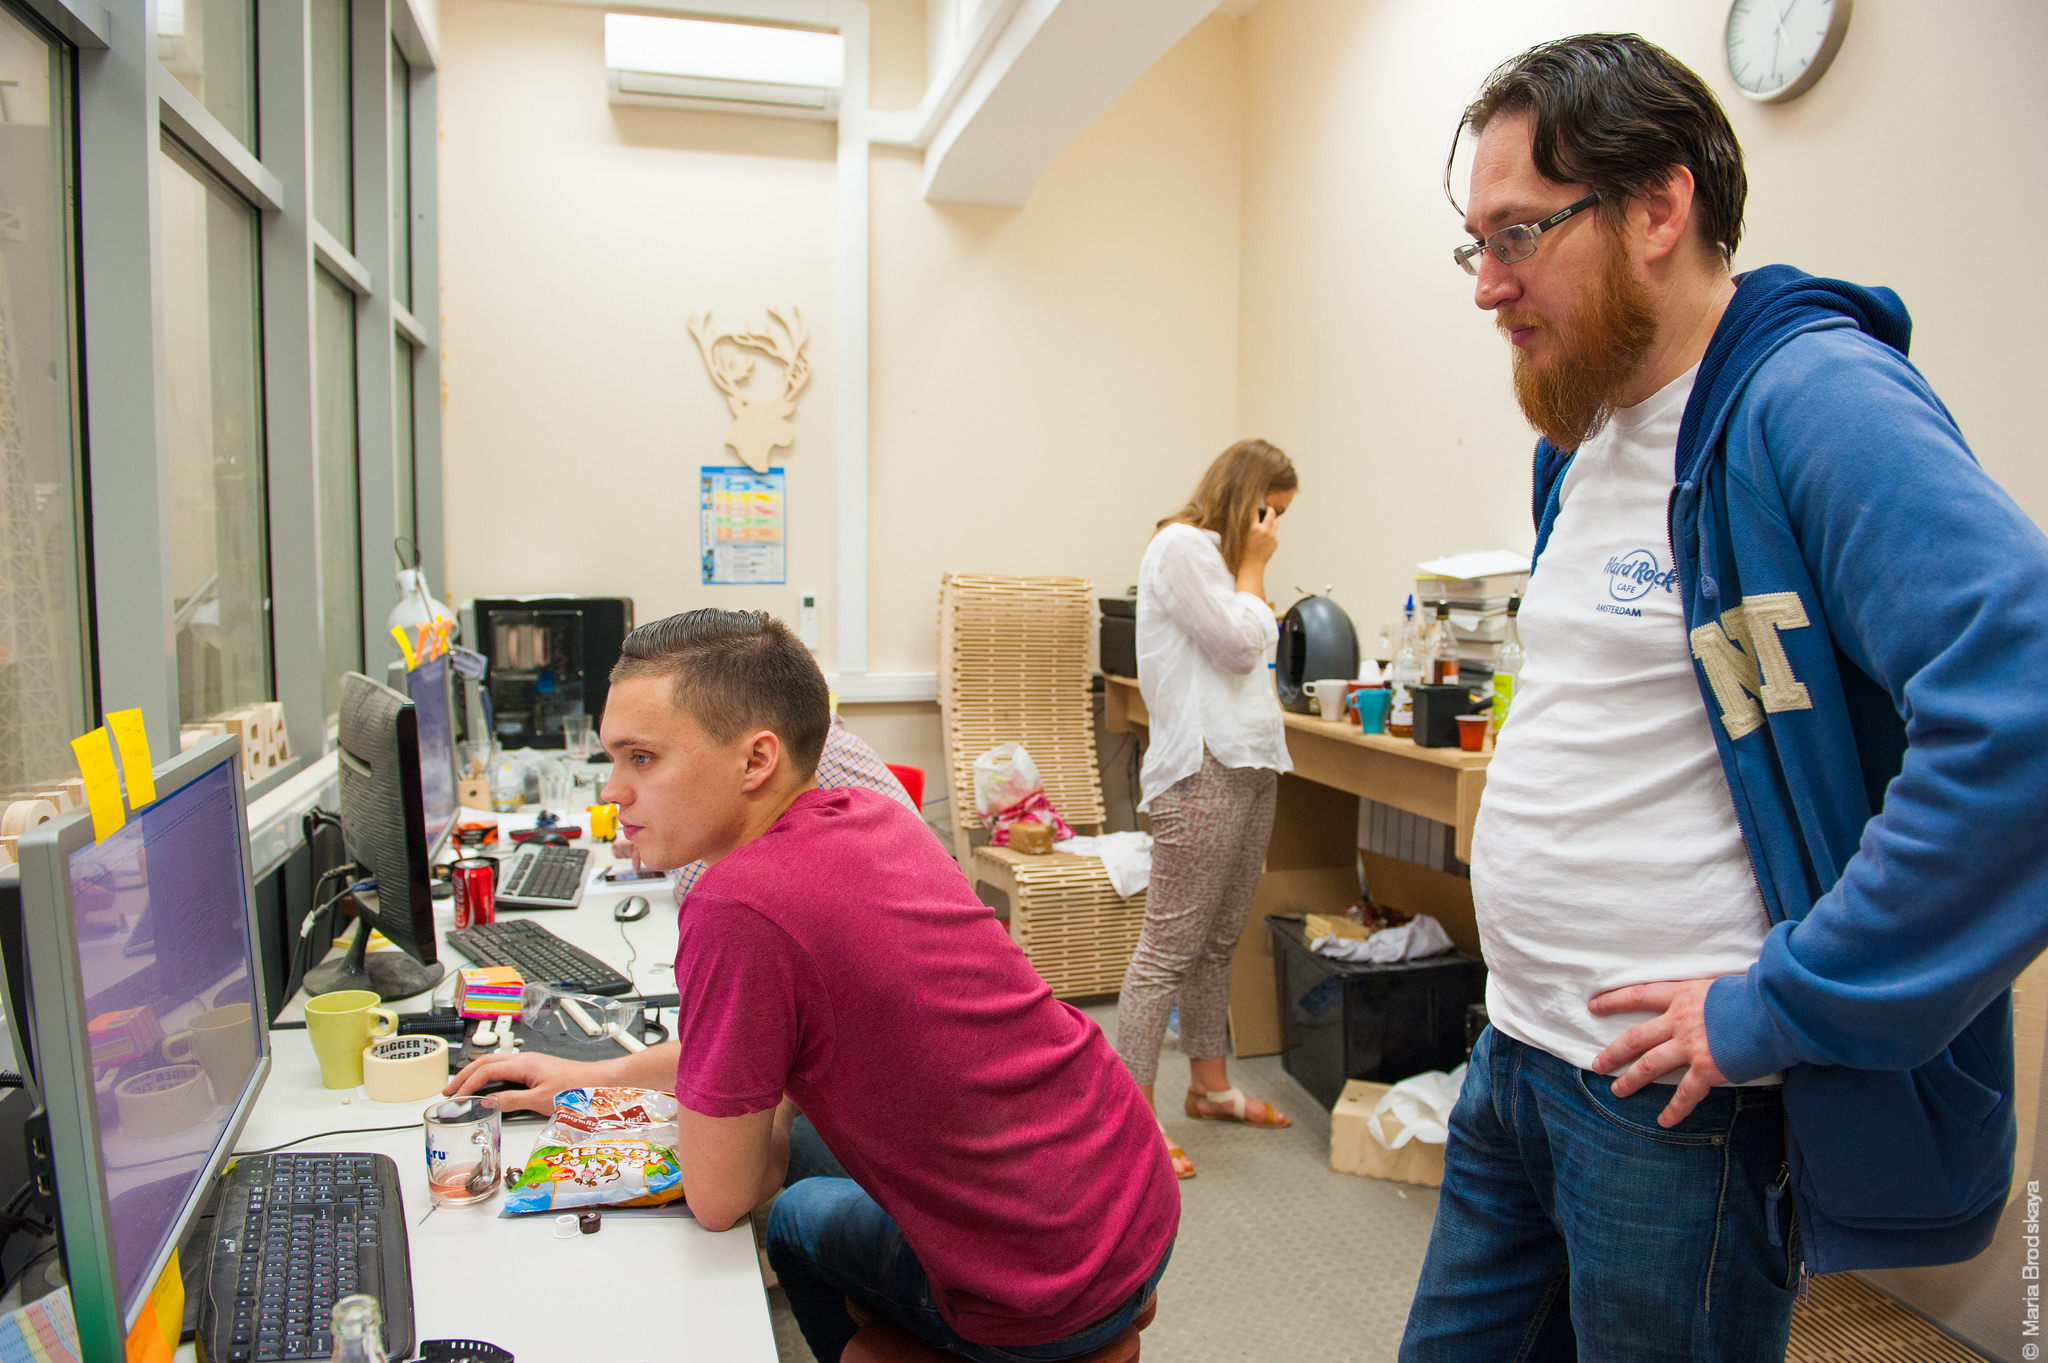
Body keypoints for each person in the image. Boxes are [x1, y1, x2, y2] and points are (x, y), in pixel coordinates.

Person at [1400, 34, 2048, 1361]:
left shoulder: (1815, 400)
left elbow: (2022, 709)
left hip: (1674, 1106)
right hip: (1516, 1055)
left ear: (1658, 208)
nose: (1487, 284)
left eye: (1518, 234)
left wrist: (1781, 1003)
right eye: (1473, 244)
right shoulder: (1582, 432)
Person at [450, 609, 1178, 1363]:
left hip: (1044, 1283)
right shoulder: (869, 813)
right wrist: (592, 1079)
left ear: (756, 759)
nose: (614, 792)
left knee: (795, 1217)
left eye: (642, 758)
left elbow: (720, 1196)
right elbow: (741, 1049)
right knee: (796, 1142)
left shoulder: (736, 906)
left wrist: (734, 1111)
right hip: (1127, 1186)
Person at [1117, 438, 1298, 1181]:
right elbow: (1235, 647)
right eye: (1270, 512)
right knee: (1167, 950)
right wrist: (1255, 568)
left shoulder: (1224, 565)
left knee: (1218, 941)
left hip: (1252, 762)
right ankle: (1131, 1121)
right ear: (1245, 500)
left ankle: (1209, 1087)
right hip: (1202, 769)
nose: (1274, 528)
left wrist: (1248, 570)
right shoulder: (1182, 548)